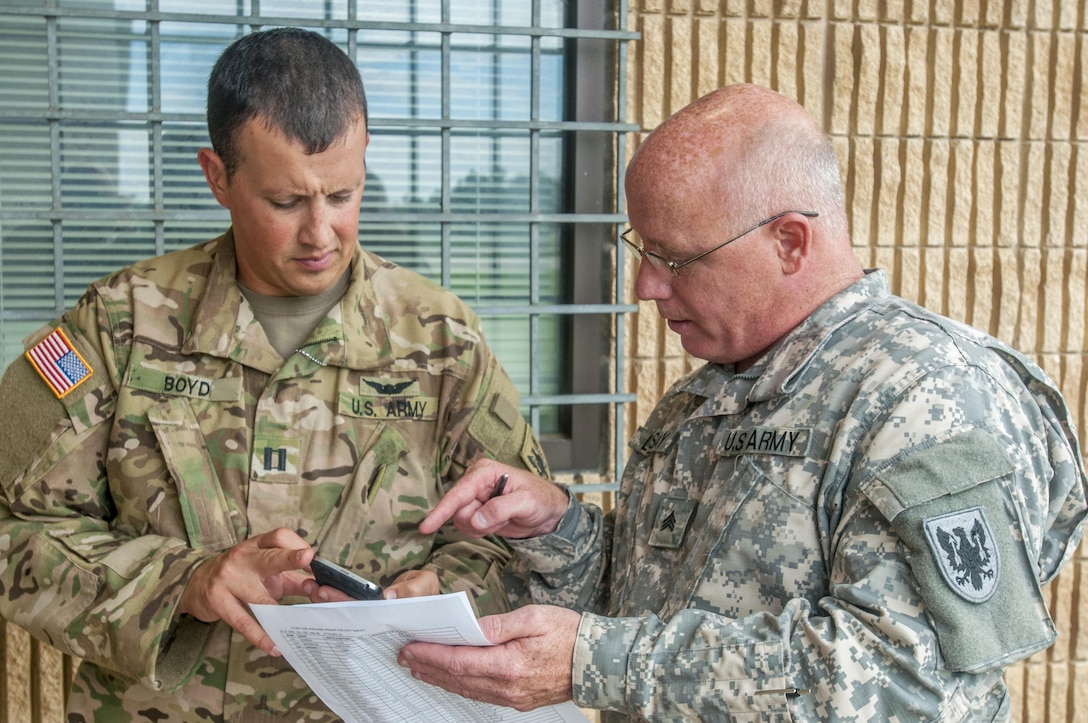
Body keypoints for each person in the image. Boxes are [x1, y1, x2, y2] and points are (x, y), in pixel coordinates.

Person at [396, 83, 1088, 721]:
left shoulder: (930, 395)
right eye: (641, 247)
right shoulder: (704, 397)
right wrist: (558, 532)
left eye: (676, 258)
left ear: (789, 240)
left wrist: (598, 660)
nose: (645, 286)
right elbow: (653, 601)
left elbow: (909, 681)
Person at [0, 27, 549, 722]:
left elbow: (521, 540)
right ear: (217, 177)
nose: (321, 233)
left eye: (343, 195)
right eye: (287, 202)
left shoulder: (444, 342)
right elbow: (15, 528)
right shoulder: (119, 326)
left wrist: (445, 588)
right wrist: (184, 582)